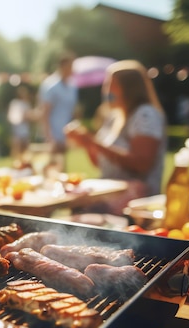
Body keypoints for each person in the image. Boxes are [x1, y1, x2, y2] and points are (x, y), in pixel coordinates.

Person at [65, 59, 168, 215]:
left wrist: (93, 142)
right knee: (74, 201)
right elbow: (101, 164)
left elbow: (142, 164)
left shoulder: (145, 114)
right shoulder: (114, 116)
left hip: (137, 202)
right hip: (111, 191)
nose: (105, 90)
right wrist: (87, 144)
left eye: (110, 84)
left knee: (82, 209)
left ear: (128, 88)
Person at [38, 53, 78, 173]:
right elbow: (44, 113)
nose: (72, 70)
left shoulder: (72, 86)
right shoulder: (50, 85)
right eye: (70, 66)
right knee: (50, 170)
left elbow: (71, 111)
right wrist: (49, 138)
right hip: (52, 134)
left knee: (63, 171)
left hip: (65, 134)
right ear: (63, 66)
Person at [7, 84, 35, 167]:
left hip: (25, 129)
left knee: (25, 148)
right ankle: (16, 163)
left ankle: (24, 163)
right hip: (17, 128)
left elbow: (29, 116)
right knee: (17, 147)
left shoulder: (26, 103)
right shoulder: (15, 103)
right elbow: (13, 117)